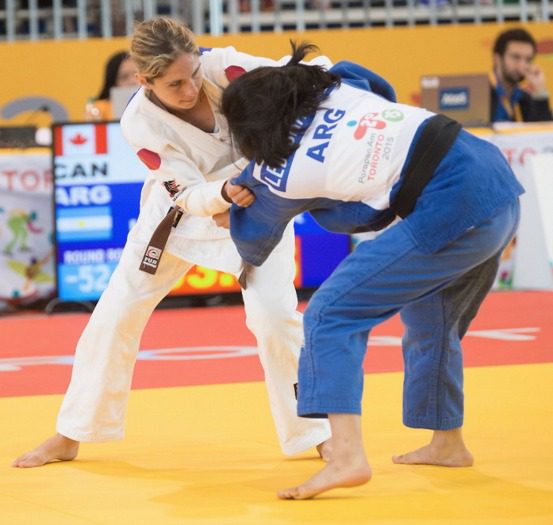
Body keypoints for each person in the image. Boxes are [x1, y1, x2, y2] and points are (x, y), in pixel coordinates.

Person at [12, 18, 331, 469]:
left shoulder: (228, 68)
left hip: (259, 209)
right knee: (115, 315)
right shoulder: (139, 122)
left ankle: (317, 432)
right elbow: (183, 189)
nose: (190, 89)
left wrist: (338, 82)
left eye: (193, 74)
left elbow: (300, 76)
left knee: (275, 318)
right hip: (176, 218)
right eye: (174, 83)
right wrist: (220, 197)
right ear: (144, 81)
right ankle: (72, 432)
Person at [220, 42, 524, 499]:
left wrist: (231, 205)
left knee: (329, 314)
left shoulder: (275, 174)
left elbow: (254, 238)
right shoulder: (339, 86)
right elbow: (374, 82)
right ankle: (447, 442)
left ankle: (345, 457)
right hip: (493, 179)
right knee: (432, 313)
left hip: (454, 204)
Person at [491, 27, 552, 123]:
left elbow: (544, 134)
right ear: (497, 58)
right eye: (515, 57)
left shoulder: (526, 98)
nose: (522, 65)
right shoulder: (480, 93)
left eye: (528, 60)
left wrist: (540, 92)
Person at [85, 50, 139, 121]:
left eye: (136, 74)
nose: (133, 81)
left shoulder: (152, 103)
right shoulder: (98, 110)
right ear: (113, 83)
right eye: (124, 77)